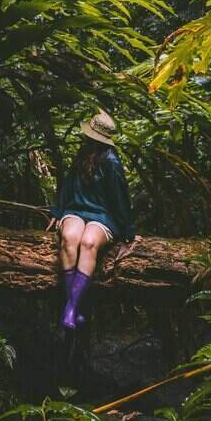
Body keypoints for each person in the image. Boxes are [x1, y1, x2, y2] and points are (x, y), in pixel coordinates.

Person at [46, 110, 138, 329]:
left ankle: (71, 308)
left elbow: (119, 197)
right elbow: (68, 186)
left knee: (88, 243)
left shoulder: (111, 161)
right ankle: (72, 305)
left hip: (102, 216)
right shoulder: (81, 155)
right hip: (76, 210)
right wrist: (57, 212)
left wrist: (128, 231)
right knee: (70, 238)